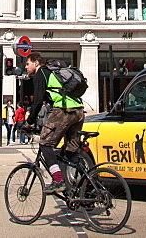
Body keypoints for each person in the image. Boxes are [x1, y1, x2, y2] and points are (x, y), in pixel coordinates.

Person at [24, 52, 85, 191]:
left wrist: (29, 122)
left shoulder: (42, 74)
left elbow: (38, 101)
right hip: (79, 111)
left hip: (63, 111)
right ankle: (88, 188)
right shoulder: (54, 73)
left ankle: (58, 180)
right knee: (72, 152)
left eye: (28, 64)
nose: (26, 67)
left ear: (36, 63)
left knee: (45, 144)